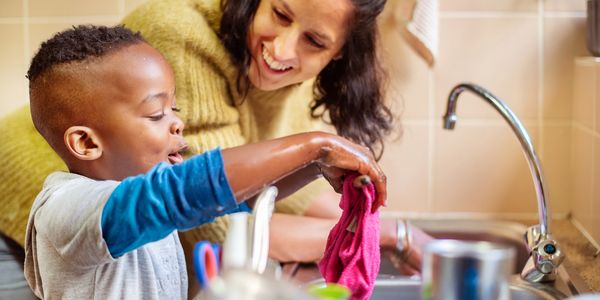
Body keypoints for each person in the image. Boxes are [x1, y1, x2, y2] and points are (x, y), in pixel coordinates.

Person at [23, 24, 386, 299]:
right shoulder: (66, 207)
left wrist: (313, 166)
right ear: (86, 142)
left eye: (174, 109)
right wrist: (314, 145)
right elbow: (181, 194)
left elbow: (234, 196)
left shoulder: (139, 187)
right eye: (155, 114)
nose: (177, 122)